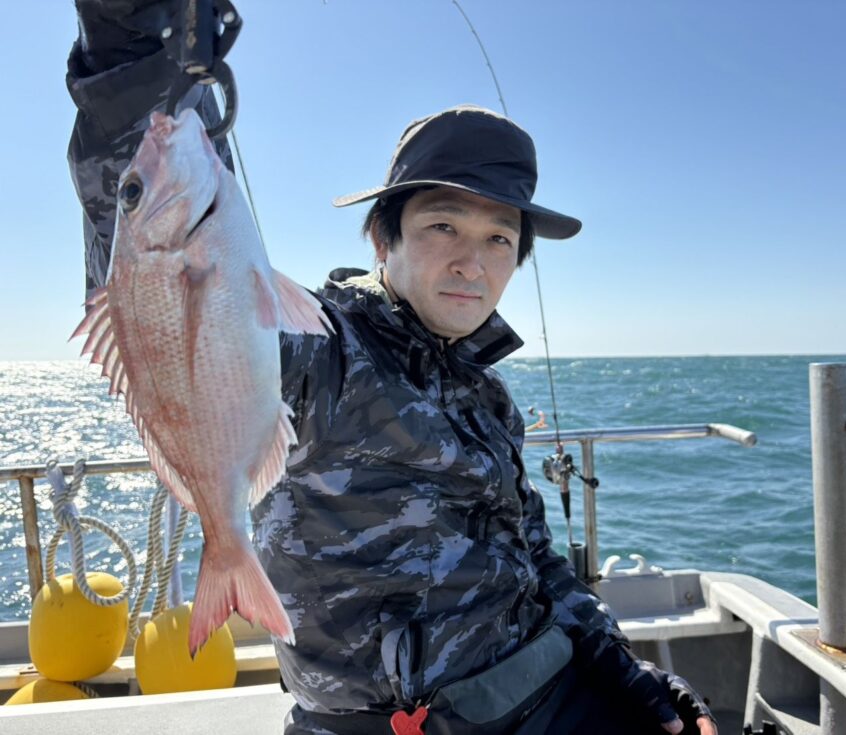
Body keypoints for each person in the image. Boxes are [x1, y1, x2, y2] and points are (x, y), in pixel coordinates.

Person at [66, 4, 717, 734]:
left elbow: (533, 555)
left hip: (554, 687)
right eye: (443, 225)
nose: (473, 261)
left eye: (500, 238)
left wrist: (627, 674)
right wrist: (131, 45)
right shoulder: (318, 349)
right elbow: (142, 270)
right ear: (383, 238)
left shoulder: (489, 398)